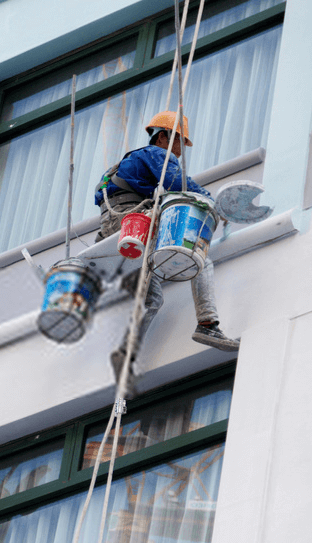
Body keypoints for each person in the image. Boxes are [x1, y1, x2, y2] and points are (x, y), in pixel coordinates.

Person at [94, 111, 239, 392]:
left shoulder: (126, 163)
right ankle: (207, 323)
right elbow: (179, 184)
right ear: (163, 137)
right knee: (198, 256)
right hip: (133, 219)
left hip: (119, 227)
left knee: (152, 299)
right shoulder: (155, 154)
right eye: (178, 144)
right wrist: (212, 203)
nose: (179, 152)